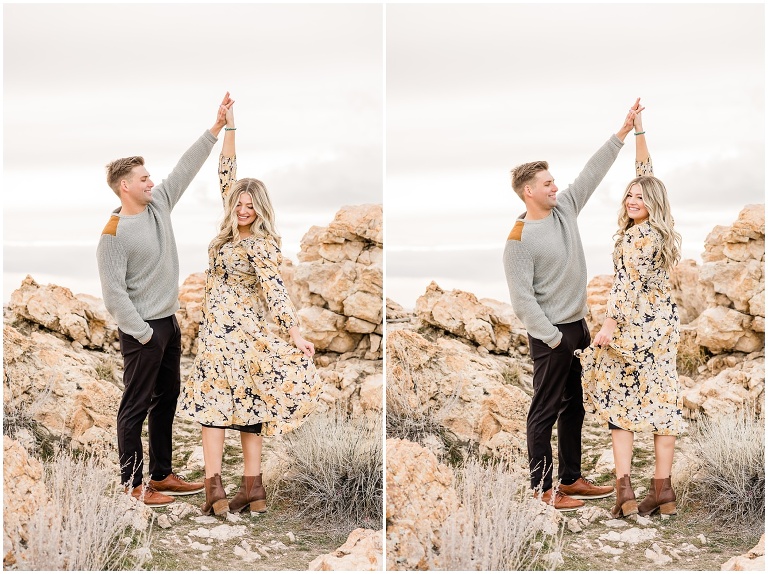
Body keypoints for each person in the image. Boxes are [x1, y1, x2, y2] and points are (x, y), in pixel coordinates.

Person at [180, 102, 322, 516]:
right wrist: (229, 127)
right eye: (238, 204)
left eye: (249, 206)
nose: (242, 210)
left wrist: (294, 332)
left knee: (214, 408)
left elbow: (276, 289)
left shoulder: (259, 243)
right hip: (231, 334)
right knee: (247, 405)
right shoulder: (233, 227)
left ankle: (214, 491)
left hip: (230, 335)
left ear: (261, 209)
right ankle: (252, 492)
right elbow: (226, 170)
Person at [503, 100, 643, 512]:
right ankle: (543, 490)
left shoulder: (564, 208)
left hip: (578, 326)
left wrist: (622, 133)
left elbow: (591, 174)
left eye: (553, 181)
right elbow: (522, 300)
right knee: (543, 412)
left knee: (574, 408)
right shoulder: (518, 241)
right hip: (550, 334)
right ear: (529, 191)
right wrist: (552, 339)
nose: (555, 187)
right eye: (547, 183)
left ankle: (571, 478)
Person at [97, 92, 235, 508]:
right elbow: (113, 293)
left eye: (149, 177)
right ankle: (132, 485)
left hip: (168, 322)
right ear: (125, 186)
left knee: (167, 399)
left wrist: (216, 128)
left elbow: (185, 168)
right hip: (141, 331)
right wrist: (142, 333)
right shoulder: (112, 235)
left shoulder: (159, 205)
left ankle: (161, 474)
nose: (151, 182)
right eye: (143, 179)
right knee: (134, 407)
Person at [577, 107, 684, 519]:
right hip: (662, 330)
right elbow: (646, 172)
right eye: (629, 194)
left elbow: (627, 285)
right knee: (662, 405)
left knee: (620, 406)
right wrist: (639, 131)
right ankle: (663, 492)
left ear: (650, 203)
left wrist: (607, 324)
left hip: (634, 329)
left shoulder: (638, 237)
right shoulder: (660, 229)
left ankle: (625, 493)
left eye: (640, 197)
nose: (631, 199)